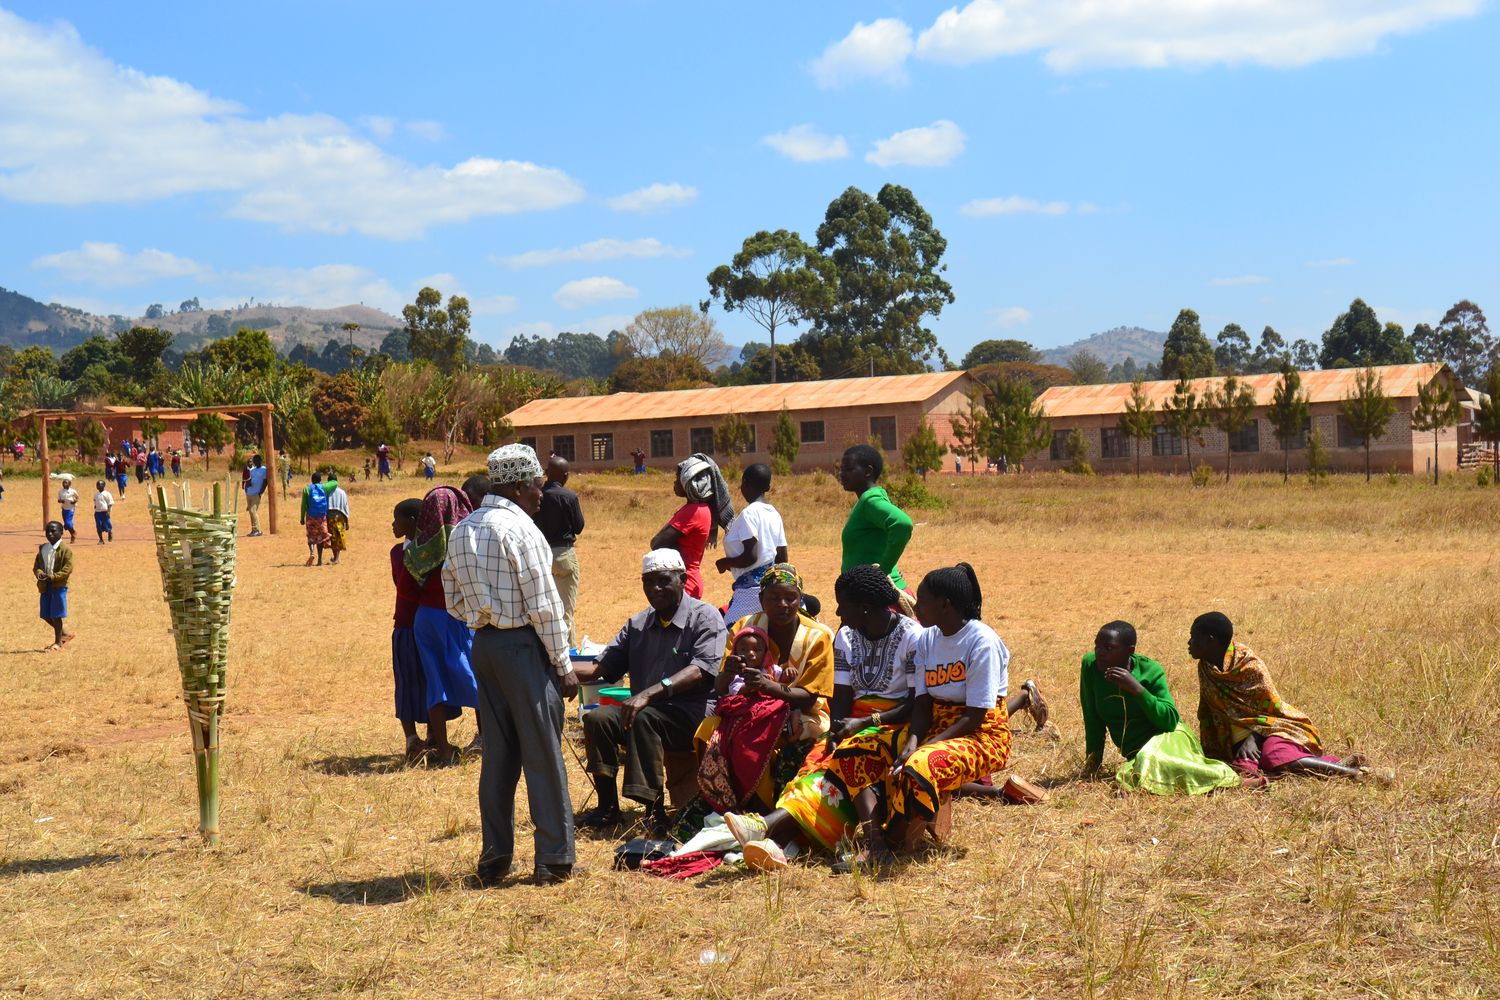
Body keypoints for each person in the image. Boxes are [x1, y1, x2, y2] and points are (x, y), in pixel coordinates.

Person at [816, 564, 1013, 874]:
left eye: (921, 600)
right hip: (934, 724)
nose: (914, 606)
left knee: (918, 768)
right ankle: (876, 843)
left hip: (981, 734)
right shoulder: (928, 640)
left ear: (945, 604)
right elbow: (921, 703)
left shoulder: (981, 642)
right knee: (853, 751)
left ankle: (891, 845)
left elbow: (976, 716)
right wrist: (913, 740)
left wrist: (924, 747)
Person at [723, 564, 924, 866]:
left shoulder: (913, 637)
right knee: (815, 766)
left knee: (847, 760)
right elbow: (841, 698)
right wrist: (836, 732)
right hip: (853, 721)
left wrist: (864, 724)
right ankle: (782, 843)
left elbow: (915, 702)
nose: (839, 613)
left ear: (865, 608)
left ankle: (766, 828)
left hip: (894, 723)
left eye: (844, 605)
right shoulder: (846, 637)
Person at [445, 444, 579, 887]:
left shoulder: (463, 529)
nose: (543, 493)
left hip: (484, 648)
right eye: (538, 485)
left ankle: (495, 858)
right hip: (524, 648)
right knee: (542, 753)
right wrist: (563, 665)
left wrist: (480, 618)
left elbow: (452, 597)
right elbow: (545, 606)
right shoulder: (521, 531)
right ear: (520, 486)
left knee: (498, 758)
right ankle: (553, 859)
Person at [572, 548, 726, 834]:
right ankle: (607, 809)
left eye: (663, 581)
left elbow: (701, 670)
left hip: (693, 715)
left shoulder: (705, 617)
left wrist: (648, 694)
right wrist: (557, 671)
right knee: (598, 720)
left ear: (683, 579)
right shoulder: (638, 623)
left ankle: (653, 812)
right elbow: (600, 668)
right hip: (647, 711)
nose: (654, 588)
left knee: (645, 717)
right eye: (647, 581)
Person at [692, 564, 835, 823]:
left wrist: (768, 687)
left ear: (800, 599)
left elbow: (811, 698)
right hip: (747, 709)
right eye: (773, 598)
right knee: (708, 728)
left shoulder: (818, 636)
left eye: (791, 597)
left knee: (785, 732)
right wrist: (728, 672)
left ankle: (765, 809)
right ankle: (720, 800)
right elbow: (721, 688)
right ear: (760, 599)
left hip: (804, 713)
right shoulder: (746, 626)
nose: (783, 604)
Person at [1191, 612, 1367, 781]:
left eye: (1194, 637)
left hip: (1275, 730)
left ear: (1210, 640)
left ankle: (1352, 773)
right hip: (1238, 742)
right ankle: (1330, 765)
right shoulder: (1206, 668)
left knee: (1274, 756)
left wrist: (1253, 738)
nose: (1189, 642)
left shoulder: (1249, 666)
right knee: (1244, 772)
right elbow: (1207, 712)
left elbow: (1271, 714)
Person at [1080, 621, 1240, 795]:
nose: (1100, 653)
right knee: (1134, 769)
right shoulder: (1090, 666)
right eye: (1097, 646)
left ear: (1130, 650)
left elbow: (1170, 721)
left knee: (1154, 761)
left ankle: (1234, 781)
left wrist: (1138, 690)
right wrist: (1092, 767)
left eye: (1108, 648)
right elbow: (1092, 719)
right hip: (1137, 753)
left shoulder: (1151, 670)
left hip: (1169, 738)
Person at [406, 486, 478, 766]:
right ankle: (487, 737)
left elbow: (408, 582)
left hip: (427, 617)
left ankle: (444, 749)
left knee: (435, 682)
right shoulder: (467, 541)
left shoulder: (418, 549)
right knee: (474, 675)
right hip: (459, 616)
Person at [838, 444, 914, 610]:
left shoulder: (870, 501)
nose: (842, 474)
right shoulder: (867, 500)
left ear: (868, 471)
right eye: (841, 469)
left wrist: (882, 571)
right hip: (870, 595)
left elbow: (902, 524)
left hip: (880, 600)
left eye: (849, 469)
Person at [650, 453, 734, 600]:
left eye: (678, 479)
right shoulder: (702, 509)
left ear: (688, 482)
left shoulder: (692, 512)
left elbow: (656, 543)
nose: (675, 483)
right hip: (687, 581)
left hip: (683, 584)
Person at [715, 463, 789, 622]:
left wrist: (725, 562)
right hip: (771, 588)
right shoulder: (774, 514)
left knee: (731, 634)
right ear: (768, 487)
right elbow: (782, 557)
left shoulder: (749, 514)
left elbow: (751, 556)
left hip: (751, 593)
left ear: (745, 484)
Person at [389, 498, 429, 764]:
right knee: (406, 681)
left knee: (428, 681)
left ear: (412, 522)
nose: (393, 524)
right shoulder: (398, 552)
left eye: (397, 519)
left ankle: (433, 737)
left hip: (422, 624)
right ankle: (412, 738)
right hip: (406, 623)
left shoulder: (428, 551)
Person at [532, 456, 585, 649]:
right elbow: (579, 527)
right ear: (565, 475)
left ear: (547, 473)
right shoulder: (569, 496)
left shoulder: (536, 495)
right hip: (563, 555)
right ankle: (568, 655)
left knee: (544, 610)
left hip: (540, 555)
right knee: (565, 611)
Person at [34, 521, 74, 652]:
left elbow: (67, 570)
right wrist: (39, 573)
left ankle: (58, 643)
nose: (50, 534)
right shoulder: (43, 548)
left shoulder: (66, 550)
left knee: (56, 615)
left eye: (53, 531)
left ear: (61, 533)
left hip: (58, 586)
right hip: (45, 586)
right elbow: (37, 566)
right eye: (47, 531)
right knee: (45, 614)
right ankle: (64, 634)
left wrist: (52, 577)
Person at [299, 472, 335, 567]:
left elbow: (303, 505)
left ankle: (312, 552)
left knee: (311, 535)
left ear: (312, 480)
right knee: (320, 538)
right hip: (321, 517)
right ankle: (319, 560)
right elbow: (335, 482)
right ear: (320, 480)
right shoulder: (324, 487)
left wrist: (302, 518)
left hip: (310, 516)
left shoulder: (307, 489)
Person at [326, 478, 350, 565]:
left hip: (330, 516)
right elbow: (345, 506)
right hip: (340, 516)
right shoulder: (342, 492)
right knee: (339, 537)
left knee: (332, 537)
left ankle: (335, 557)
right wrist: (347, 521)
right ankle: (336, 557)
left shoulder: (326, 492)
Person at [244, 455, 269, 537]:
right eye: (254, 460)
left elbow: (265, 481)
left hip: (256, 493)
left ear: (260, 461)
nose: (255, 462)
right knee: (251, 513)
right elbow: (248, 479)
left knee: (253, 511)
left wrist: (261, 492)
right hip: (249, 493)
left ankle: (258, 530)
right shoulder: (252, 470)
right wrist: (247, 487)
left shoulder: (264, 470)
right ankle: (253, 529)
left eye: (256, 460)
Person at [55, 473, 79, 543]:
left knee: (68, 523)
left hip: (71, 509)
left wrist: (74, 501)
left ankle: (73, 533)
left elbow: (77, 497)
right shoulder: (60, 491)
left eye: (66, 483)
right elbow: (58, 500)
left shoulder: (73, 491)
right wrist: (61, 501)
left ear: (69, 484)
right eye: (63, 483)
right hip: (64, 509)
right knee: (66, 523)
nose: (64, 484)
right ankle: (72, 533)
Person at [93, 479, 114, 544]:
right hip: (97, 512)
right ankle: (101, 539)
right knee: (98, 525)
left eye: (100, 484)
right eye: (97, 485)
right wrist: (95, 506)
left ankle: (110, 532)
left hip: (105, 512)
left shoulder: (107, 494)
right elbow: (95, 501)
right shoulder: (96, 494)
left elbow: (110, 503)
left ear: (104, 485)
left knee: (107, 524)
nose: (98, 486)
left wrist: (108, 511)